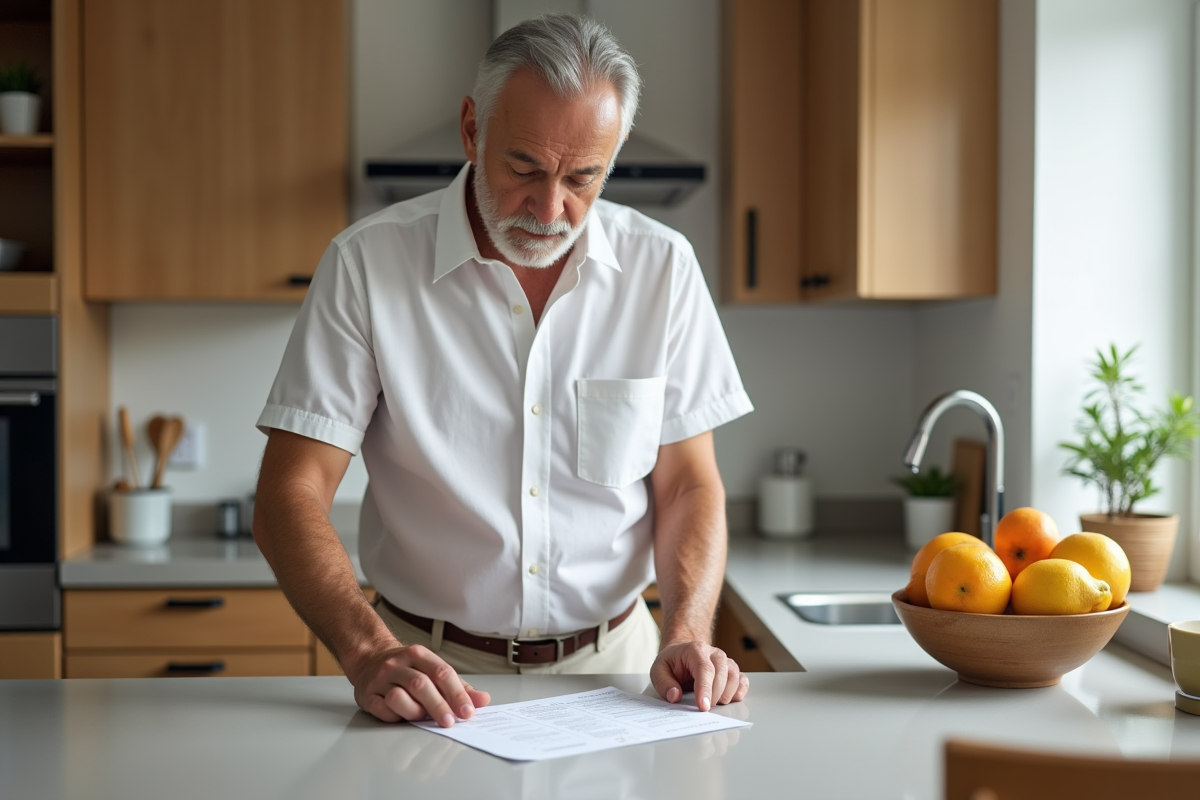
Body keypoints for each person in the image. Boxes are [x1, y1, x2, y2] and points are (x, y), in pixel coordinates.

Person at [253, 13, 753, 728]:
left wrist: (688, 634)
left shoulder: (663, 268)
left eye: (584, 177)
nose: (552, 209)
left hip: (622, 672)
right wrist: (367, 652)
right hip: (428, 679)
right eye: (524, 167)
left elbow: (688, 486)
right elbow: (288, 493)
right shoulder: (367, 265)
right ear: (471, 130)